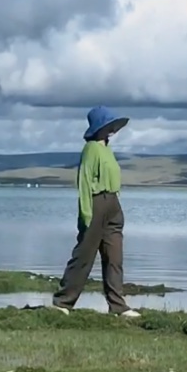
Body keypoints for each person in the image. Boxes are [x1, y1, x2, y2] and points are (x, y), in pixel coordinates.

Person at [51, 105, 138, 317]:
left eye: (113, 126)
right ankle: (63, 303)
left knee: (114, 257)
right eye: (108, 125)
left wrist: (116, 202)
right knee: (84, 256)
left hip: (113, 206)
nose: (112, 130)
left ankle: (118, 306)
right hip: (96, 203)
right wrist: (86, 214)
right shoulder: (91, 149)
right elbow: (85, 181)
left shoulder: (107, 149)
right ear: (100, 127)